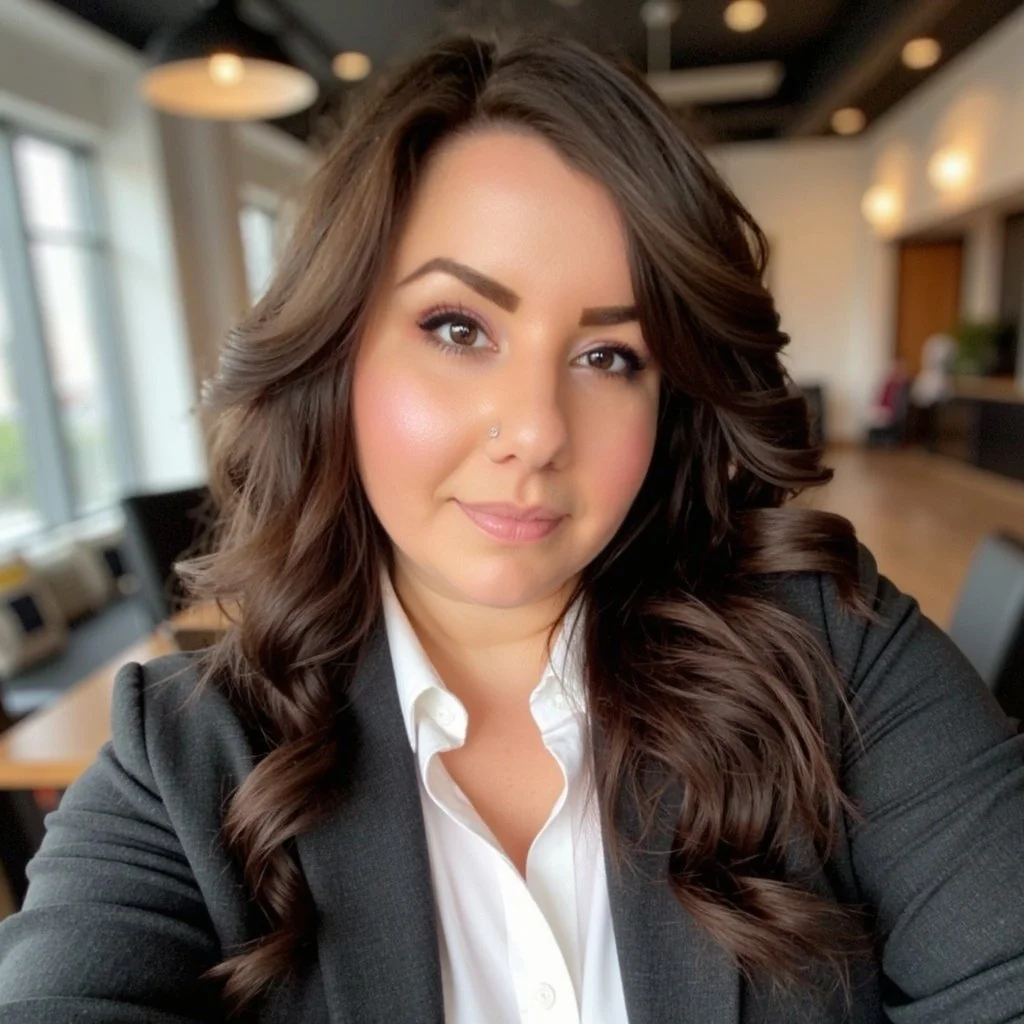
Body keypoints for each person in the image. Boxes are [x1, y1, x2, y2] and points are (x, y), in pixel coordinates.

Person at [2, 29, 1024, 1024]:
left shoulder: (838, 660)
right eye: (458, 327)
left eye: (609, 356)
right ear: (337, 352)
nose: (536, 432)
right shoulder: (183, 762)